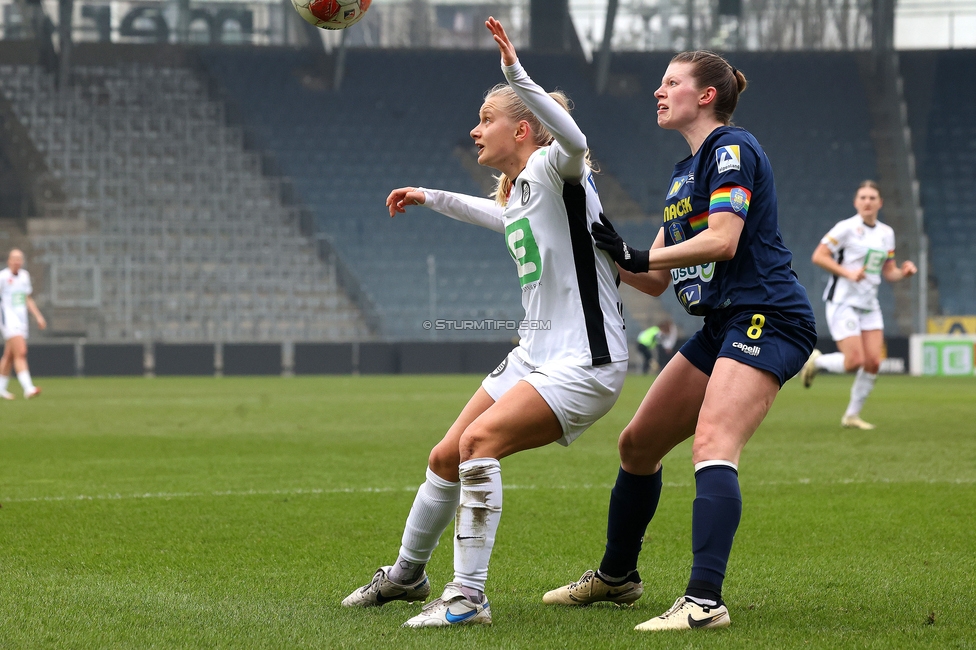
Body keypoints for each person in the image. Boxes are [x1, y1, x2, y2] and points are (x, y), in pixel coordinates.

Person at [341, 17, 628, 628]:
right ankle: (407, 576)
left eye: (486, 118)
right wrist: (428, 195)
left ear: (523, 126)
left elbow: (574, 141)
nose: (475, 128)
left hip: (585, 360)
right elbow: (494, 215)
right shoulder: (524, 192)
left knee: (478, 446)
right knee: (445, 455)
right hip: (534, 355)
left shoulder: (558, 169)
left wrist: (514, 74)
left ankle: (467, 598)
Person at [541, 51, 817, 632]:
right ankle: (618, 580)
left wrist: (637, 252)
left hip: (766, 316)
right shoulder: (682, 173)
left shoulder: (731, 148)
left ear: (707, 95)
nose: (659, 92)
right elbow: (656, 278)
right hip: (722, 324)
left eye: (671, 83)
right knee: (638, 445)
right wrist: (602, 250)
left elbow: (722, 241)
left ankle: (704, 602)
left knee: (713, 443)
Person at [800, 181, 917, 429]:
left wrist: (903, 273)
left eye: (872, 197)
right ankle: (817, 361)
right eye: (862, 197)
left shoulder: (887, 233)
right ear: (856, 202)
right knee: (854, 361)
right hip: (843, 301)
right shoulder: (846, 228)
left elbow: (889, 272)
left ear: (880, 203)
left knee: (873, 361)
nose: (867, 201)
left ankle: (851, 415)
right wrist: (848, 273)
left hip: (868, 303)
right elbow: (818, 256)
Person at [0, 248, 46, 400]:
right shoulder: (2, 277)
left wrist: (38, 316)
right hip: (8, 319)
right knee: (21, 351)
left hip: (21, 320)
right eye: (14, 258)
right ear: (9, 260)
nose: (17, 261)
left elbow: (27, 298)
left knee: (9, 355)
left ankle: (0, 388)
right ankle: (28, 388)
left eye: (19, 259)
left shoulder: (24, 276)